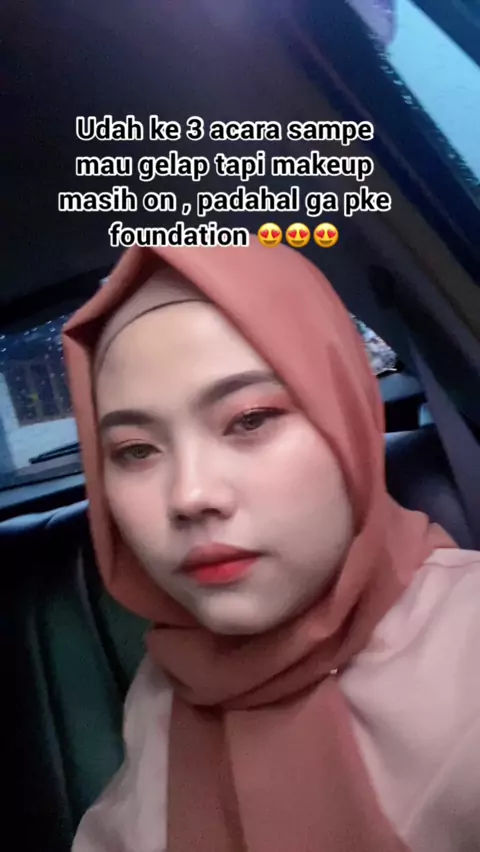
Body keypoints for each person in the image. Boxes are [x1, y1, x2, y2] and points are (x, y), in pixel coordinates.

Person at [62, 238, 480, 852]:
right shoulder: (161, 694)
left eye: (250, 419)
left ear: (345, 414)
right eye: (135, 451)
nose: (191, 494)